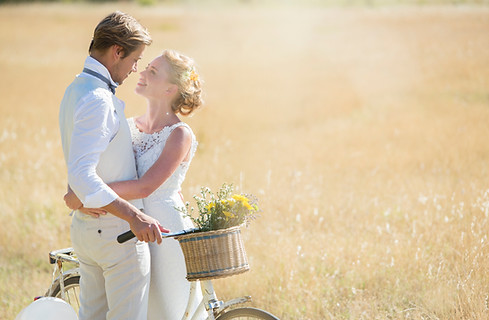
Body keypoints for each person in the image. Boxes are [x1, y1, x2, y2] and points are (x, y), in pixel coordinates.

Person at [64, 49, 206, 319]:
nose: (140, 72)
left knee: (164, 309)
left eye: (152, 72)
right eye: (145, 67)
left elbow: (145, 186)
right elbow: (93, 163)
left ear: (169, 89)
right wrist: (82, 188)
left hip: (164, 230)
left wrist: (87, 195)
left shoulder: (179, 134)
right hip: (127, 225)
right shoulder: (128, 125)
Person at [59, 12, 169, 320]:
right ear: (117, 51)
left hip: (87, 233)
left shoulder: (75, 89)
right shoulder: (97, 99)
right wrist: (135, 216)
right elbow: (82, 173)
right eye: (135, 59)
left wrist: (77, 192)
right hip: (116, 236)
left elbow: (81, 162)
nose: (135, 69)